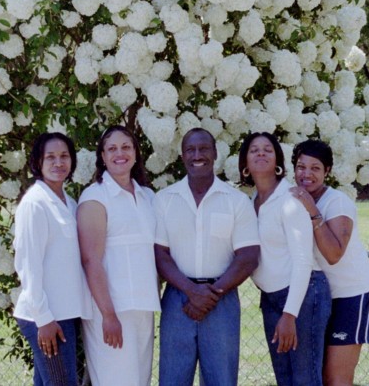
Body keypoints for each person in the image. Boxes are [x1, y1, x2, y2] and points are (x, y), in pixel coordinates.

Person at [153, 127, 261, 386]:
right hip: (178, 298)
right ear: (182, 156)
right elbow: (160, 254)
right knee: (173, 379)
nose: (197, 155)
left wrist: (211, 294)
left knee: (221, 379)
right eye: (191, 150)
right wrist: (191, 290)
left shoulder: (236, 201)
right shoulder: (164, 200)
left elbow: (248, 256)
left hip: (221, 299)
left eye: (203, 149)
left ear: (215, 154)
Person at [238, 132, 332, 386]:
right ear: (245, 164)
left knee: (305, 380)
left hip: (302, 298)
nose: (261, 153)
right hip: (270, 299)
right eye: (254, 150)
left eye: (267, 149)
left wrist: (290, 315)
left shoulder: (290, 200)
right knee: (285, 379)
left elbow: (303, 261)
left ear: (277, 159)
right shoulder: (249, 203)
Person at [290, 139, 369, 386]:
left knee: (336, 378)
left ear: (327, 171)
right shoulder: (292, 199)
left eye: (315, 168)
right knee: (316, 375)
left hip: (352, 296)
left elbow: (334, 254)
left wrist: (312, 211)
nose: (306, 174)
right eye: (301, 166)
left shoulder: (337, 202)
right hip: (319, 299)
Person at [77, 125, 160, 386]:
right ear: (102, 156)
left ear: (136, 153)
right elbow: (91, 260)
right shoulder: (95, 197)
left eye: (126, 147)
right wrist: (109, 315)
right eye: (111, 148)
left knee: (139, 381)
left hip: (143, 307)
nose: (119, 153)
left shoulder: (148, 196)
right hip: (111, 310)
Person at [13, 132, 92, 386]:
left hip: (64, 314)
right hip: (46, 317)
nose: (58, 163)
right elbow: (28, 265)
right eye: (51, 157)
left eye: (64, 156)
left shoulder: (67, 202)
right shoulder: (35, 203)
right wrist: (44, 319)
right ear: (38, 162)